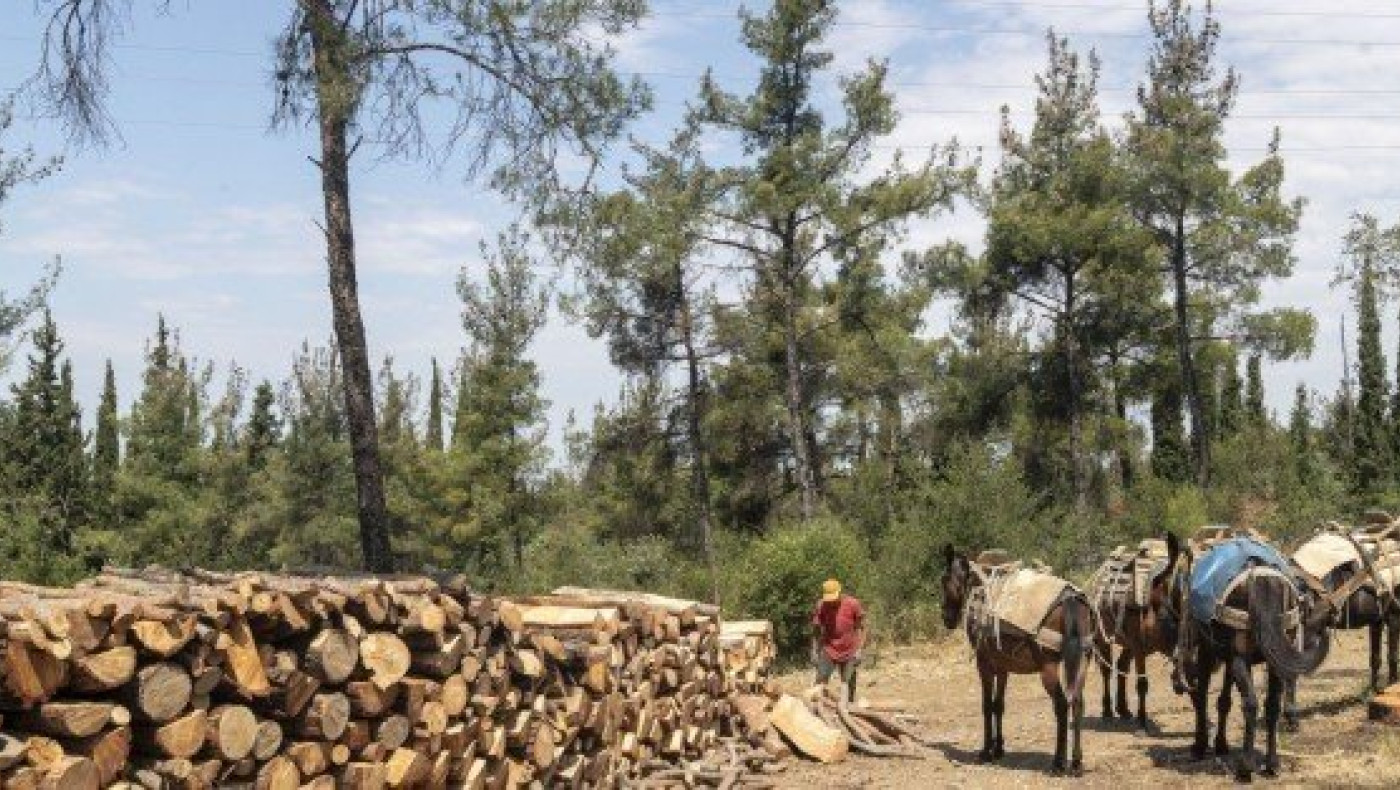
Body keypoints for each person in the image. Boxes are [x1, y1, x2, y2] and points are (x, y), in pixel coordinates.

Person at [811, 578, 864, 702]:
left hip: (850, 650)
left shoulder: (853, 604)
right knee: (820, 681)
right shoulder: (821, 606)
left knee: (848, 684)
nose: (831, 601)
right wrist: (814, 650)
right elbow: (816, 630)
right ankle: (818, 708)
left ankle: (848, 711)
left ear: (840, 592)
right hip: (829, 648)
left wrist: (859, 649)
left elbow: (862, 627)